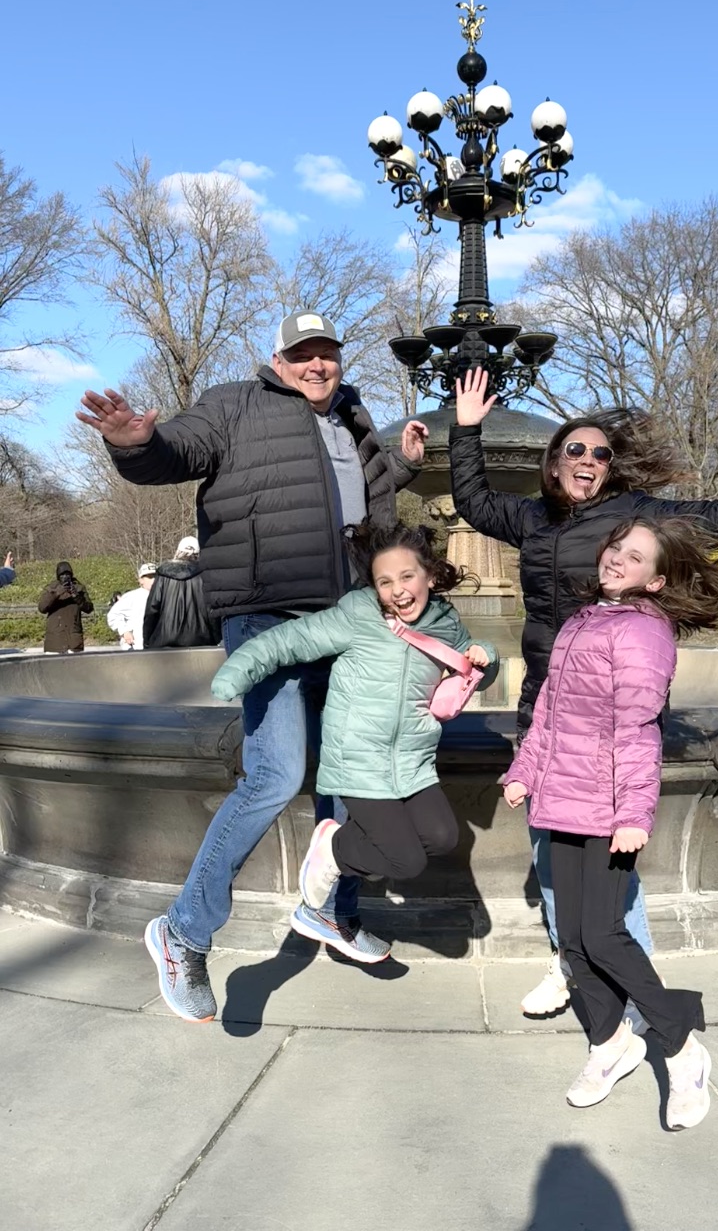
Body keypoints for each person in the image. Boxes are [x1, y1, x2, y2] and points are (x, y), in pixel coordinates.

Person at [450, 368, 718, 1015]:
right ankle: (570, 961)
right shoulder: (528, 520)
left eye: (600, 453)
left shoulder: (636, 517)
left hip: (614, 718)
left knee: (612, 861)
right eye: (574, 450)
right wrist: (466, 429)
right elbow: (470, 501)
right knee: (550, 847)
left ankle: (641, 1003)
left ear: (610, 469)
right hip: (547, 709)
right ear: (553, 465)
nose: (587, 460)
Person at [77, 309, 429, 1021]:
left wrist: (405, 465)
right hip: (269, 620)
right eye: (302, 354)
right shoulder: (237, 403)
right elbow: (174, 449)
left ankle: (331, 911)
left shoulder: (356, 416)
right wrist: (135, 445)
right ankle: (181, 932)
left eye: (326, 352)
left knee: (352, 781)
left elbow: (353, 496)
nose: (316, 365)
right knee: (274, 775)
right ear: (279, 358)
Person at [503, 516, 718, 1128]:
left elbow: (637, 733)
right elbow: (551, 717)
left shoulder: (642, 632)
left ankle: (683, 1047)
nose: (617, 558)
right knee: (577, 942)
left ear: (657, 580)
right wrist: (525, 772)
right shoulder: (585, 620)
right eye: (617, 547)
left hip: (610, 810)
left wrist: (634, 814)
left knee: (607, 935)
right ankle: (611, 1044)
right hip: (562, 799)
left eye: (635, 556)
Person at [209, 523, 498, 946]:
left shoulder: (446, 625)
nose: (398, 590)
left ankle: (340, 849)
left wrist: (484, 657)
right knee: (405, 861)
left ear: (429, 576)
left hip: (412, 762)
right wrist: (237, 671)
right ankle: (335, 849)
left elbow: (471, 677)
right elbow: (290, 640)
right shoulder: (358, 615)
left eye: (406, 576)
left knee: (442, 837)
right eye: (385, 582)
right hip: (357, 760)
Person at [143, 536, 219, 649]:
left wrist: (147, 639)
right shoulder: (205, 575)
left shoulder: (163, 574)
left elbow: (152, 609)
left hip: (164, 640)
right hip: (200, 640)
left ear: (178, 551)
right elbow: (211, 611)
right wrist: (216, 637)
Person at [38, 561, 94, 654]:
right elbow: (42, 608)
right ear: (58, 576)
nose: (65, 578)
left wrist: (76, 596)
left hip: (74, 637)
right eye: (62, 575)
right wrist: (56, 593)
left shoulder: (79, 588)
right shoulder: (51, 588)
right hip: (55, 638)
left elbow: (89, 608)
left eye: (67, 575)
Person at [107, 565, 157, 649]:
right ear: (141, 580)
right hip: (135, 646)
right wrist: (124, 631)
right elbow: (113, 615)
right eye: (150, 577)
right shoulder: (131, 597)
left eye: (156, 577)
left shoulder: (166, 597)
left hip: (157, 649)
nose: (154, 580)